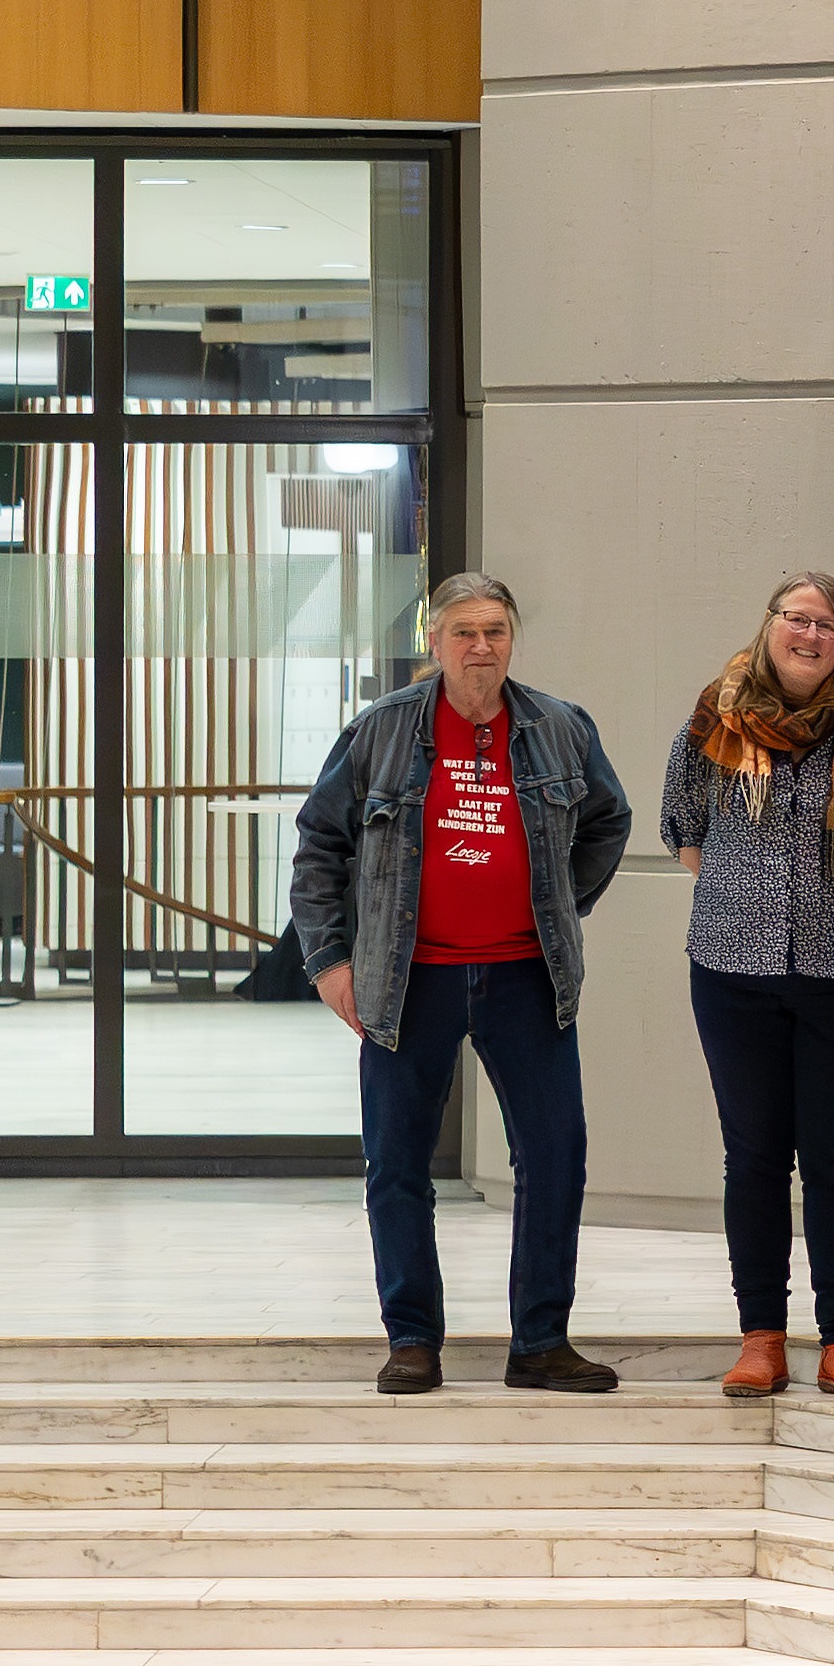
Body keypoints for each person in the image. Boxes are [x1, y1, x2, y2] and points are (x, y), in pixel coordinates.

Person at [291, 573, 632, 1397]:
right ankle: (412, 1339)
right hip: (410, 979)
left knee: (555, 1154)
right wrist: (330, 962)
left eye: (496, 631)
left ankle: (540, 1341)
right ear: (434, 641)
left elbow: (608, 819)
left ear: (512, 639)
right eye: (465, 633)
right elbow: (319, 845)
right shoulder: (380, 730)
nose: (482, 647)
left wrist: (557, 903)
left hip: (526, 976)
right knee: (397, 1162)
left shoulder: (559, 726)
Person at [663, 573, 834, 1401]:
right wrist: (747, 898)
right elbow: (683, 827)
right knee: (753, 1157)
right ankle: (762, 1337)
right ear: (771, 624)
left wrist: (826, 904)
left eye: (827, 625)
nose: (809, 635)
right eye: (797, 618)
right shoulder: (715, 715)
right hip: (731, 970)